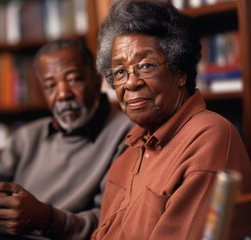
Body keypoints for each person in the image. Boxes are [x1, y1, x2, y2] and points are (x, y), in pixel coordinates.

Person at [0, 39, 134, 240]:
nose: (63, 94)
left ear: (97, 78)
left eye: (73, 79)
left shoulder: (126, 135)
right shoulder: (32, 134)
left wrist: (45, 218)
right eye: (50, 86)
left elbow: (107, 223)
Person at [91, 0, 251, 239]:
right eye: (120, 72)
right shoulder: (127, 153)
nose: (131, 82)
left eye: (145, 66)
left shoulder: (208, 138)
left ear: (180, 72)